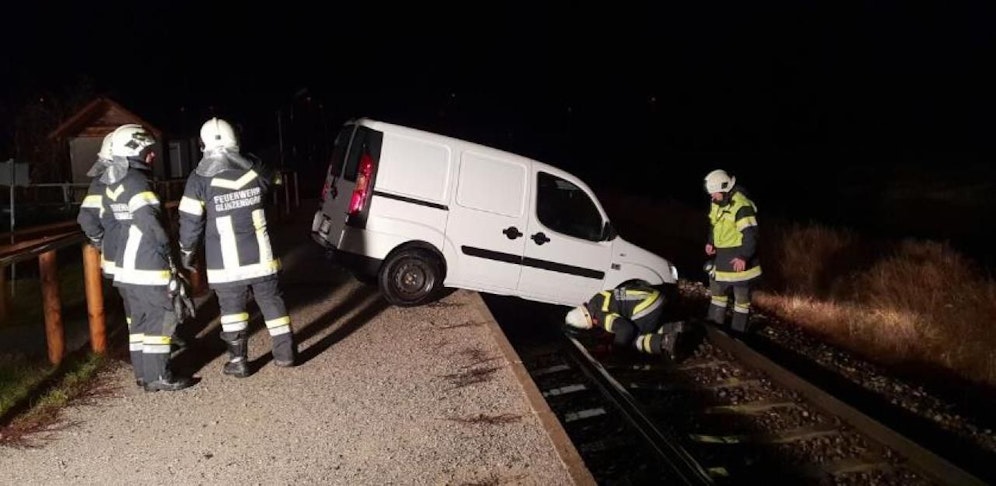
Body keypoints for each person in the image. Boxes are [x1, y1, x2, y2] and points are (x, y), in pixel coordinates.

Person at [177, 117, 296, 378]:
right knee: (272, 302)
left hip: (224, 262)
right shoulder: (256, 168)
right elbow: (276, 182)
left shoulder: (198, 180)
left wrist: (187, 251)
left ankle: (239, 361)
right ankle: (286, 354)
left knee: (231, 309)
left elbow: (190, 221)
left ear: (203, 144)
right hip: (261, 254)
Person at [102, 123, 193, 392]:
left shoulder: (114, 182)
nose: (152, 156)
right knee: (162, 318)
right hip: (148, 265)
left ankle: (144, 373)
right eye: (148, 151)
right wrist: (171, 258)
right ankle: (159, 376)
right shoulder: (139, 183)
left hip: (126, 267)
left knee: (140, 323)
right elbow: (152, 226)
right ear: (134, 151)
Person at [703, 169, 761, 333]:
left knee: (741, 301)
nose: (712, 197)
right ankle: (715, 327)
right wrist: (711, 242)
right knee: (717, 294)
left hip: (739, 260)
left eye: (714, 193)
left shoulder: (742, 206)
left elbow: (751, 235)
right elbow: (714, 224)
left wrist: (744, 257)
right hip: (722, 257)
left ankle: (738, 333)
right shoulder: (717, 201)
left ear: (725, 188)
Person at [563, 283, 685, 358]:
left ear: (590, 321)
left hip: (648, 305)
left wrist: (616, 349)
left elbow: (626, 329)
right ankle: (675, 327)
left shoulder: (600, 316)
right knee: (644, 324)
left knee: (633, 339)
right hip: (652, 295)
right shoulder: (596, 299)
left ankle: (666, 341)